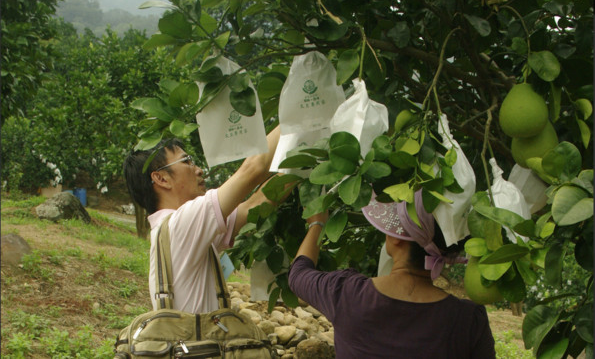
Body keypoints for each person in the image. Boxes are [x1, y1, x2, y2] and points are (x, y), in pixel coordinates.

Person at [288, 190, 496, 358]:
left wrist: (316, 225)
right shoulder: (469, 320)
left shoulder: (346, 293)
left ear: (397, 239)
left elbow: (298, 274)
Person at [123, 126, 280, 314]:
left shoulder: (172, 230)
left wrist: (299, 168)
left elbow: (254, 206)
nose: (198, 170)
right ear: (161, 179)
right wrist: (299, 111)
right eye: (186, 161)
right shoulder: (180, 224)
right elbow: (253, 169)